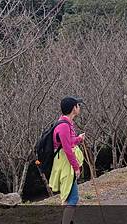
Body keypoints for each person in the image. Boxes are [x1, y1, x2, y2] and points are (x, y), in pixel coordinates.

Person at [49, 96, 85, 224]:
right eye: (78, 105)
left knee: (68, 196)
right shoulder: (64, 126)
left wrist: (79, 139)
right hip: (65, 164)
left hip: (65, 163)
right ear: (73, 108)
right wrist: (76, 167)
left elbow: (68, 142)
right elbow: (67, 149)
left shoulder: (66, 123)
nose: (79, 107)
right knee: (73, 197)